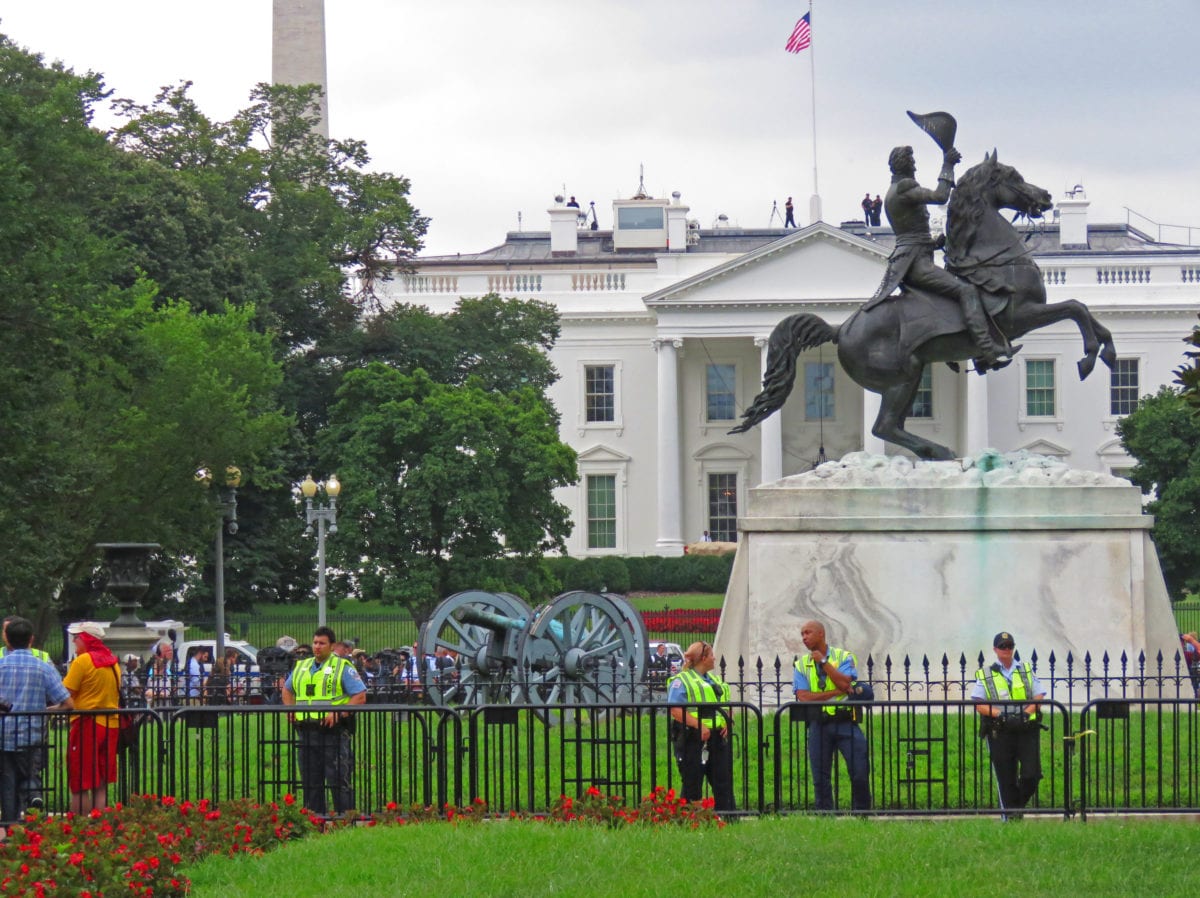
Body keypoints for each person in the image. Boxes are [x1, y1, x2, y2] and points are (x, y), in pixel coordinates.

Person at [862, 144, 1016, 369]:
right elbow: (940, 196)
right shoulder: (904, 187)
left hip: (914, 258)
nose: (915, 165)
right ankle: (987, 350)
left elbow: (910, 235)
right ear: (906, 165)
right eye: (912, 162)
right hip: (916, 265)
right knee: (967, 290)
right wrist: (948, 164)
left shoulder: (893, 191)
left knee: (953, 292)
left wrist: (935, 244)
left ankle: (957, 348)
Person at [281, 626, 367, 816]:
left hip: (333, 732)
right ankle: (315, 821)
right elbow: (287, 690)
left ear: (332, 645)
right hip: (306, 731)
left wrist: (339, 713)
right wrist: (290, 709)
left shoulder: (342, 666)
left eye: (322, 643)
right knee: (310, 781)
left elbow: (360, 696)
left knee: (338, 780)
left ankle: (345, 820)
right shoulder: (302, 666)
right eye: (315, 642)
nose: (317, 647)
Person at [793, 620, 871, 811]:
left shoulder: (843, 657)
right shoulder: (801, 664)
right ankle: (825, 815)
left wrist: (823, 662)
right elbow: (803, 697)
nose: (804, 637)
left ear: (821, 634)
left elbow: (846, 684)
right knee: (820, 778)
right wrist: (834, 693)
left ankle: (862, 814)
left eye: (808, 633)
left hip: (845, 721)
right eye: (802, 634)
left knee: (860, 771)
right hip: (819, 724)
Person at [0, 616, 73, 821]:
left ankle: (10, 825)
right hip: (33, 735)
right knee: (31, 773)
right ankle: (33, 801)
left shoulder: (1, 665)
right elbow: (68, 704)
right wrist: (44, 710)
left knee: (7, 783)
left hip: (4, 735)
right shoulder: (43, 666)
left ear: (7, 639)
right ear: (31, 639)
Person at [971, 631, 1046, 818]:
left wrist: (1024, 714)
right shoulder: (986, 674)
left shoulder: (1025, 669)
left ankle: (1014, 810)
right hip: (1000, 730)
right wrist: (1001, 715)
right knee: (1006, 777)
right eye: (1002, 646)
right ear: (995, 649)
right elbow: (978, 704)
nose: (1006, 649)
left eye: (1010, 646)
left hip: (1025, 729)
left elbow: (1039, 696)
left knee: (1032, 775)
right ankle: (1010, 819)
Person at [667, 641, 734, 811]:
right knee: (692, 780)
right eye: (711, 655)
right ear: (703, 658)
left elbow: (725, 704)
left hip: (718, 737)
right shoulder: (681, 681)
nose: (714, 658)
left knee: (722, 780)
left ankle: (728, 817)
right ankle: (690, 819)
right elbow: (675, 710)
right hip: (693, 737)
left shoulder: (713, 680)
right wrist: (699, 726)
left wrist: (728, 719)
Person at [62, 622, 121, 814]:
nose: (74, 641)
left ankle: (79, 830)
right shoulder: (113, 662)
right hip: (110, 724)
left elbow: (66, 693)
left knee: (80, 783)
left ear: (87, 639)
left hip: (87, 724)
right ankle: (100, 831)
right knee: (101, 783)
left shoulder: (82, 661)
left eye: (77, 637)